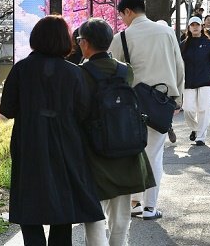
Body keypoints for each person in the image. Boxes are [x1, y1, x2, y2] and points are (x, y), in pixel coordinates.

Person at [0, 15, 104, 246]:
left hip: (29, 142)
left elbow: (7, 109)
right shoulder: (74, 72)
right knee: (62, 207)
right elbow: (84, 112)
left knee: (29, 205)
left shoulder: (21, 69)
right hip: (66, 142)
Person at [77, 18, 155, 246]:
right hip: (127, 148)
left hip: (94, 151)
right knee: (120, 217)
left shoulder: (80, 74)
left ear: (86, 43)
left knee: (94, 215)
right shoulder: (125, 71)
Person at [108, 0, 185, 221]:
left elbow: (112, 71)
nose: (123, 20)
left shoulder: (121, 37)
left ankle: (133, 202)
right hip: (160, 103)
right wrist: (178, 99)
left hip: (130, 105)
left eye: (122, 15)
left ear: (128, 11)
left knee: (131, 154)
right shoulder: (167, 32)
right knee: (154, 155)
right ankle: (150, 207)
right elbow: (179, 66)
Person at [180, 17, 210, 145]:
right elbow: (179, 64)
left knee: (204, 109)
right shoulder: (183, 45)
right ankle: (195, 129)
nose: (195, 27)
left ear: (202, 27)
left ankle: (201, 136)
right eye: (192, 25)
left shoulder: (209, 44)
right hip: (188, 82)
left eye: (197, 25)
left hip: (205, 80)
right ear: (188, 27)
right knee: (188, 109)